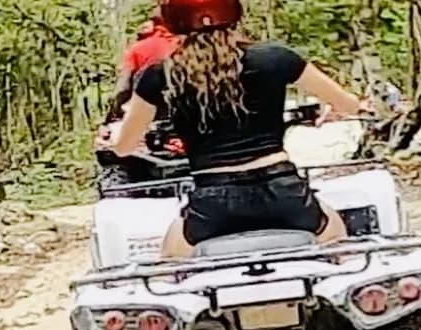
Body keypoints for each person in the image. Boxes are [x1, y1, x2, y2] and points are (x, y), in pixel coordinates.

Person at [101, 0, 368, 259]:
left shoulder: (159, 75)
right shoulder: (276, 58)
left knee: (171, 263)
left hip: (212, 201)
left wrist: (115, 138)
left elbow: (124, 147)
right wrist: (342, 108)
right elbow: (349, 104)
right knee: (337, 242)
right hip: (283, 191)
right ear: (235, 13)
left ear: (173, 22)